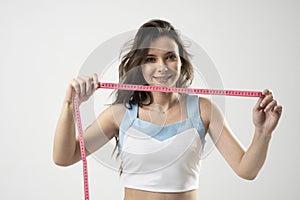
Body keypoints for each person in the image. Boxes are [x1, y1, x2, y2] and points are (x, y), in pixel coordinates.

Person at [53, 19, 283, 200]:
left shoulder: (203, 109)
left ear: (182, 62)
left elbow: (246, 170)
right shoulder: (120, 114)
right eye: (151, 58)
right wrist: (68, 105)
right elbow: (64, 157)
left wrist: (263, 132)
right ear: (140, 65)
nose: (162, 67)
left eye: (170, 57)